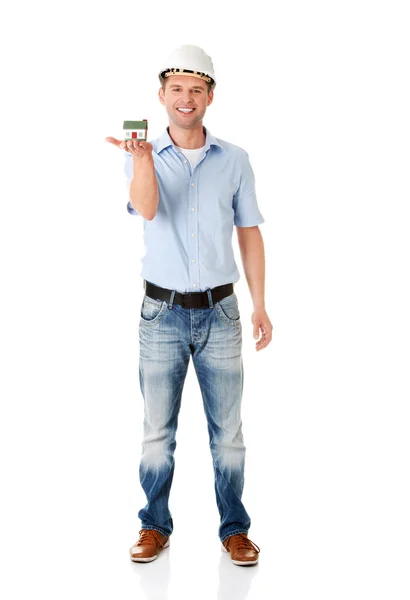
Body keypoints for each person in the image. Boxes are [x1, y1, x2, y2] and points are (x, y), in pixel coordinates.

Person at [105, 44, 272, 566]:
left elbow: (250, 233)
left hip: (221, 312)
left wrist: (261, 304)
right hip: (162, 315)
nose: (185, 98)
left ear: (210, 97)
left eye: (195, 89)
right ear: (161, 96)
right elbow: (149, 209)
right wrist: (140, 161)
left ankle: (234, 529)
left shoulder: (236, 160)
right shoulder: (145, 155)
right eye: (175, 88)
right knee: (157, 434)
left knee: (229, 437)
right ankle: (154, 525)